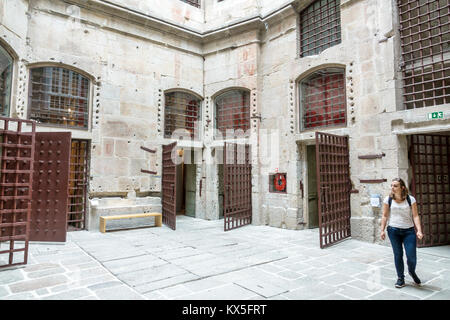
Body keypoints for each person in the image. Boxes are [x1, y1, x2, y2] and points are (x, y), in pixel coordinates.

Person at [380, 178, 424, 288]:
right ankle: (400, 278)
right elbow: (385, 216)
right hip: (393, 230)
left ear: (402, 187)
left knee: (411, 257)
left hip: (409, 231)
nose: (392, 188)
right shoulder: (388, 199)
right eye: (392, 185)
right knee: (398, 254)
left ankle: (412, 272)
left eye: (395, 186)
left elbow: (415, 215)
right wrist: (382, 230)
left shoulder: (410, 199)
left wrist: (419, 230)